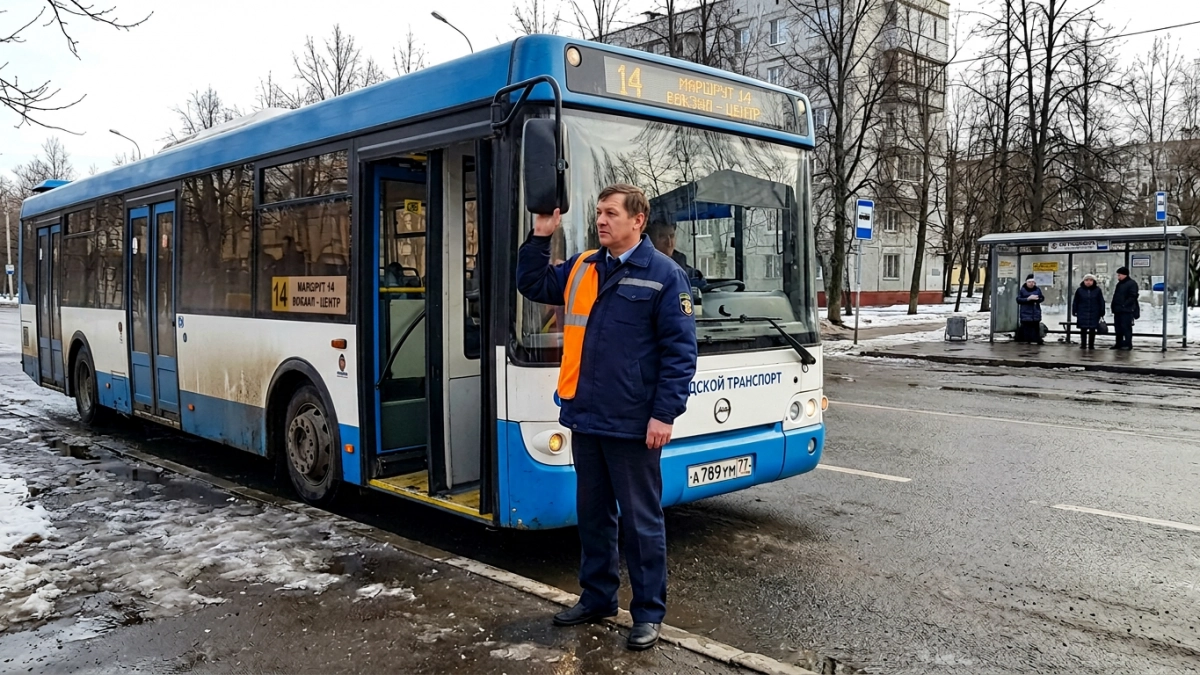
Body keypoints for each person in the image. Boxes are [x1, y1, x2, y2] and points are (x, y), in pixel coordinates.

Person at [516, 184, 698, 651]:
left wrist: (664, 414)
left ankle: (648, 613)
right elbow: (533, 284)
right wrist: (540, 237)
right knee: (593, 516)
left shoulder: (664, 275)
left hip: (634, 423)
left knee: (641, 523)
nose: (601, 220)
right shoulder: (582, 267)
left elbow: (680, 355)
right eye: (598, 212)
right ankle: (597, 596)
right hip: (585, 415)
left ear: (638, 221)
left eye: (611, 213)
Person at [647, 220, 705, 288]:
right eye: (662, 237)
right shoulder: (643, 269)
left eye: (672, 236)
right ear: (650, 239)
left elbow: (699, 281)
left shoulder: (681, 263)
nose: (669, 243)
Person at [1072, 274, 1105, 351]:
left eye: (1090, 280)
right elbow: (1075, 301)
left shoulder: (1097, 290)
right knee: (1083, 329)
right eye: (1086, 280)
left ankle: (1091, 345)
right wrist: (1074, 310)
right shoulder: (1079, 290)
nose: (1088, 282)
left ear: (1094, 281)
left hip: (1094, 313)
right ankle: (1083, 345)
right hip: (1082, 312)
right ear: (1083, 281)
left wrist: (1102, 311)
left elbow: (1101, 301)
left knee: (1092, 330)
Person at [1110, 266, 1140, 351]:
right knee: (1118, 328)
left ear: (1124, 275)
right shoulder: (1120, 284)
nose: (1118, 277)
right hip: (1118, 310)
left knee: (1126, 328)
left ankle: (1128, 344)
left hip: (1126, 311)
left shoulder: (1131, 283)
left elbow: (1133, 296)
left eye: (1119, 275)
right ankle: (1118, 343)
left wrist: (1124, 305)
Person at [1016, 274, 1045, 345]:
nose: (1031, 284)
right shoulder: (1022, 290)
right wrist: (1028, 299)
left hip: (1035, 313)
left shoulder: (1037, 289)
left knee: (1035, 327)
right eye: (1029, 282)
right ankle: (1026, 340)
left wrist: (1038, 299)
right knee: (1026, 328)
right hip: (1026, 313)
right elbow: (1018, 300)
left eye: (1033, 282)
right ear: (1026, 282)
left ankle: (1036, 339)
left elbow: (1042, 298)